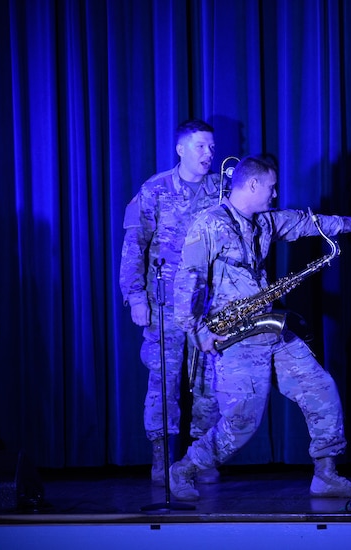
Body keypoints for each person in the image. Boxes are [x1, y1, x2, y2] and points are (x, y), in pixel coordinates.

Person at [168, 155, 351, 501]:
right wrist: (197, 330)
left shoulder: (262, 222)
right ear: (252, 184)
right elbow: (186, 281)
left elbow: (303, 223)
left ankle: (325, 474)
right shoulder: (208, 223)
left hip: (270, 328)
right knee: (241, 423)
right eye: (272, 186)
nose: (276, 194)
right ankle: (185, 468)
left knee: (321, 388)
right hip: (235, 335)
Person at [119, 119, 224, 486]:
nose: (208, 154)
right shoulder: (155, 189)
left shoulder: (221, 190)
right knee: (163, 380)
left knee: (208, 381)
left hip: (208, 305)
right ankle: (161, 457)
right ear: (181, 149)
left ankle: (201, 457)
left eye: (211, 147)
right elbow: (134, 248)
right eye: (200, 146)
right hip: (163, 303)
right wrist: (135, 296)